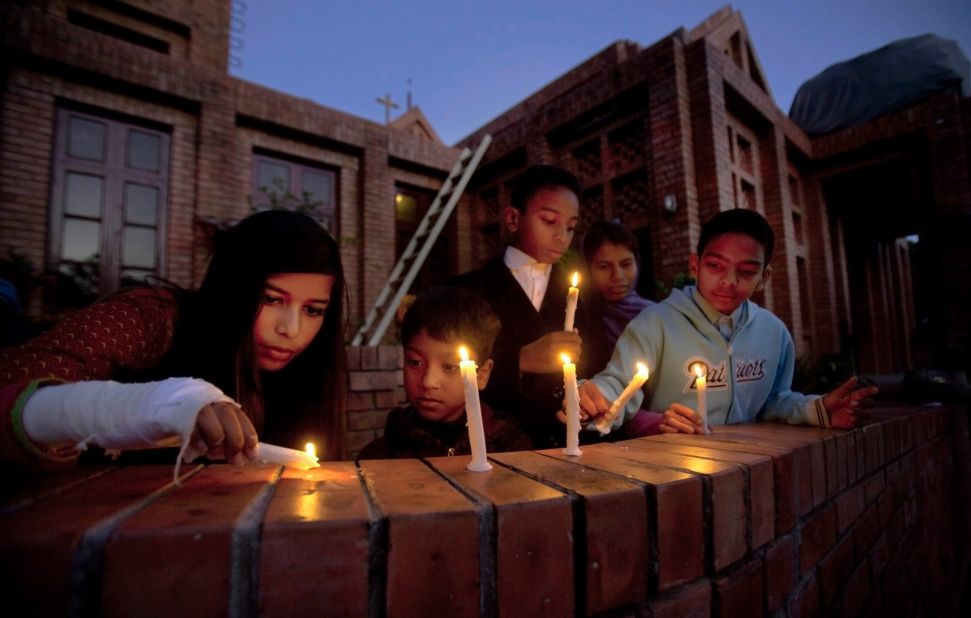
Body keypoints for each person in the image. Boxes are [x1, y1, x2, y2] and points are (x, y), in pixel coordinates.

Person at [0, 209, 347, 465]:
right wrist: (163, 402)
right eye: (271, 299)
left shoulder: (307, 377)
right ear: (234, 287)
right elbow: (16, 380)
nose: (291, 330)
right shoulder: (152, 317)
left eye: (313, 310)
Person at [578, 208, 877, 434]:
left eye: (746, 271)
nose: (729, 282)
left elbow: (772, 400)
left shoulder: (774, 333)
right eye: (716, 266)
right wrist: (594, 398)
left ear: (764, 277)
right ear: (695, 266)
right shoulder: (654, 325)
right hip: (673, 476)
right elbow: (620, 385)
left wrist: (817, 410)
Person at [451, 165, 607, 447]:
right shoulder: (468, 291)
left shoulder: (582, 294)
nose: (562, 236)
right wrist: (521, 360)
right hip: (495, 447)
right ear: (512, 218)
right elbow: (452, 370)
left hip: (569, 444)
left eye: (570, 227)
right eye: (549, 221)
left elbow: (597, 361)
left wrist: (586, 395)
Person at [357, 287, 530, 460]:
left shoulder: (510, 449)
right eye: (415, 362)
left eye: (449, 366)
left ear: (482, 375)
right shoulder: (380, 458)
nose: (428, 382)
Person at [580, 220, 659, 437]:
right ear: (588, 268)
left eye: (626, 264)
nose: (617, 276)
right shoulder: (581, 320)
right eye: (604, 267)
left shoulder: (657, 316)